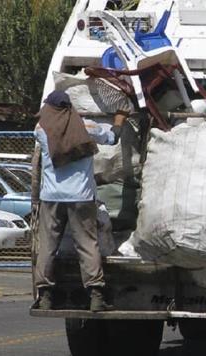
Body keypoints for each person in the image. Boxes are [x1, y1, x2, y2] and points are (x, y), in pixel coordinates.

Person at [33, 90, 127, 312]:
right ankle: (96, 295)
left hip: (51, 197)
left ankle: (45, 295)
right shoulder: (87, 127)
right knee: (86, 244)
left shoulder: (40, 130)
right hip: (82, 197)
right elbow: (112, 137)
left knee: (48, 245)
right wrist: (119, 120)